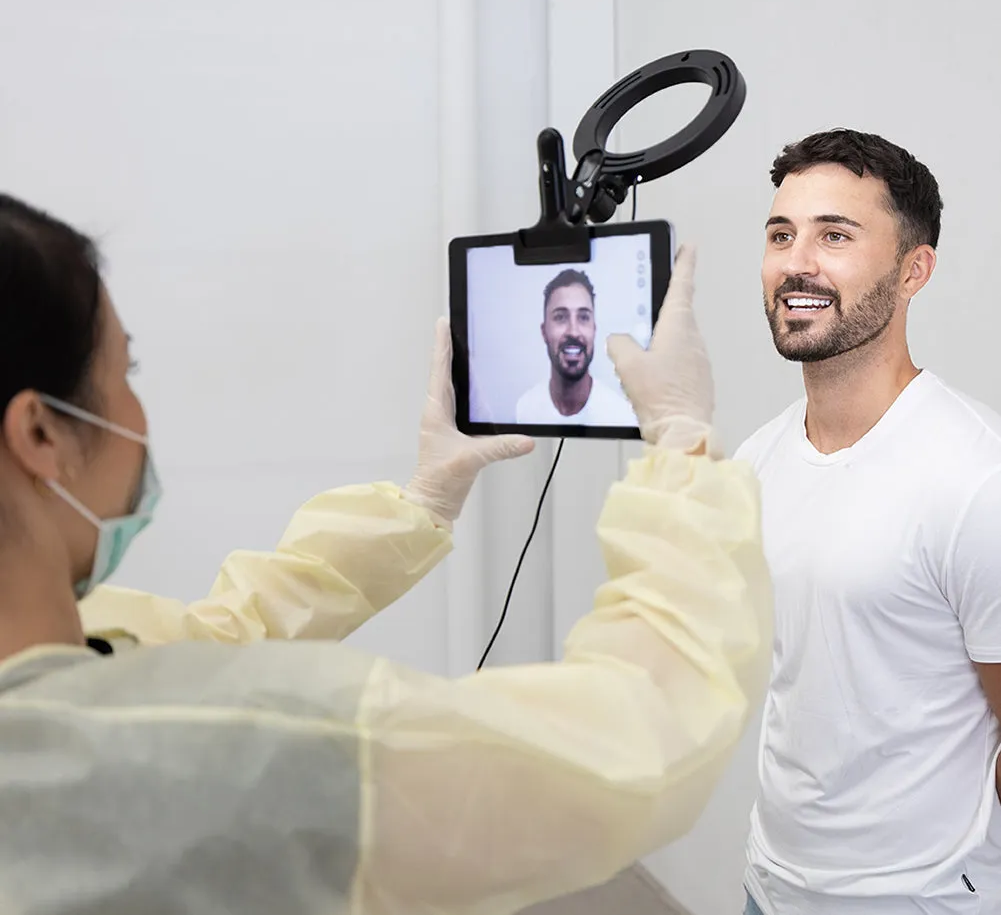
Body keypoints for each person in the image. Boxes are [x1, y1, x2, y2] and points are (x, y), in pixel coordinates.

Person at [0, 192, 772, 915]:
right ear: (40, 434)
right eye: (124, 371)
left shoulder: (71, 658)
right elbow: (634, 743)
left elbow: (217, 631)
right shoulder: (239, 750)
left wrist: (420, 505)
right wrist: (680, 443)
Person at [736, 130, 1001, 915]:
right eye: (781, 234)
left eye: (834, 235)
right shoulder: (756, 460)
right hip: (770, 885)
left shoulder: (975, 476)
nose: (796, 262)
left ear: (913, 269)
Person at [515, 267, 635, 425]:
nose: (573, 331)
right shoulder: (525, 410)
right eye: (560, 317)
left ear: (594, 329)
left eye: (583, 317)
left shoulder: (621, 417)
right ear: (544, 332)